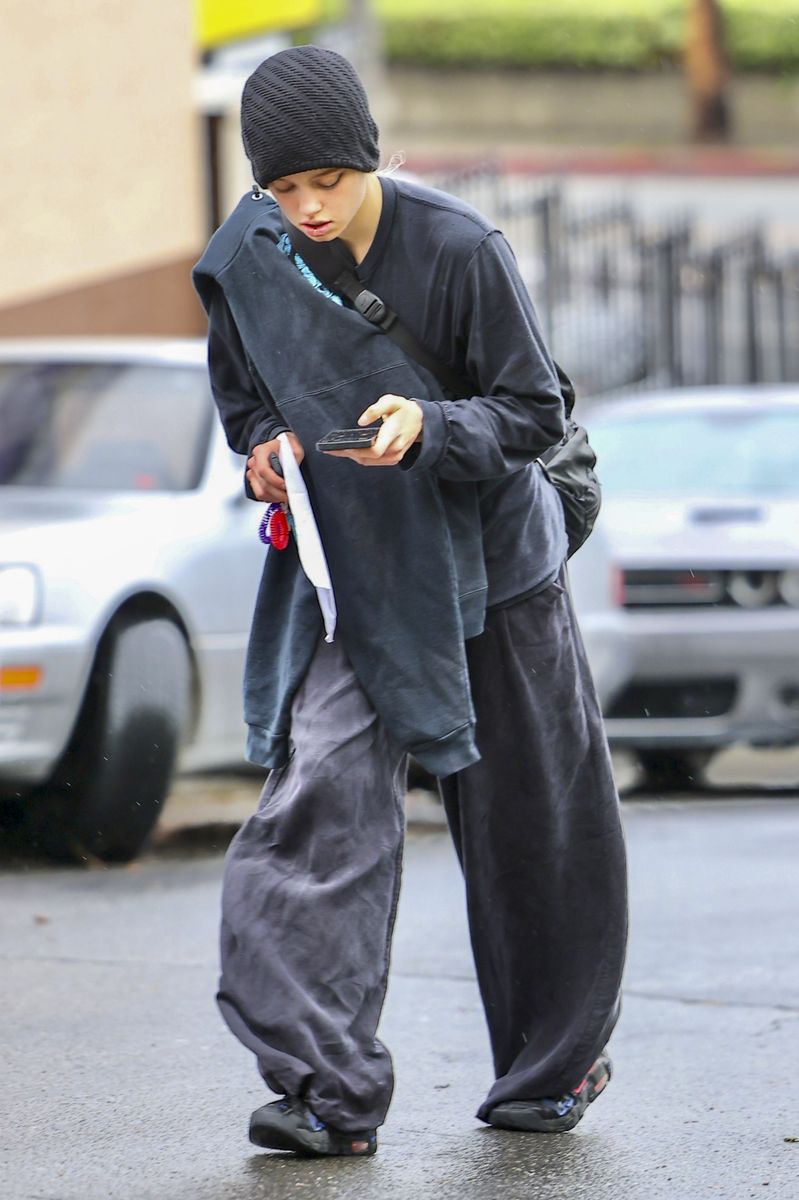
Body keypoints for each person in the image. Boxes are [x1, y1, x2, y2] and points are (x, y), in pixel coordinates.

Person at [192, 45, 627, 1159]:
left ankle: (552, 1068)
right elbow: (243, 394)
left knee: (534, 823)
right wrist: (261, 444)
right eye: (282, 189)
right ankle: (323, 1091)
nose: (308, 208)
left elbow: (534, 410)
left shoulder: (458, 247)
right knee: (317, 807)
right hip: (359, 574)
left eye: (326, 181)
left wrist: (432, 428)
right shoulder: (246, 256)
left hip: (496, 571)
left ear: (365, 157)